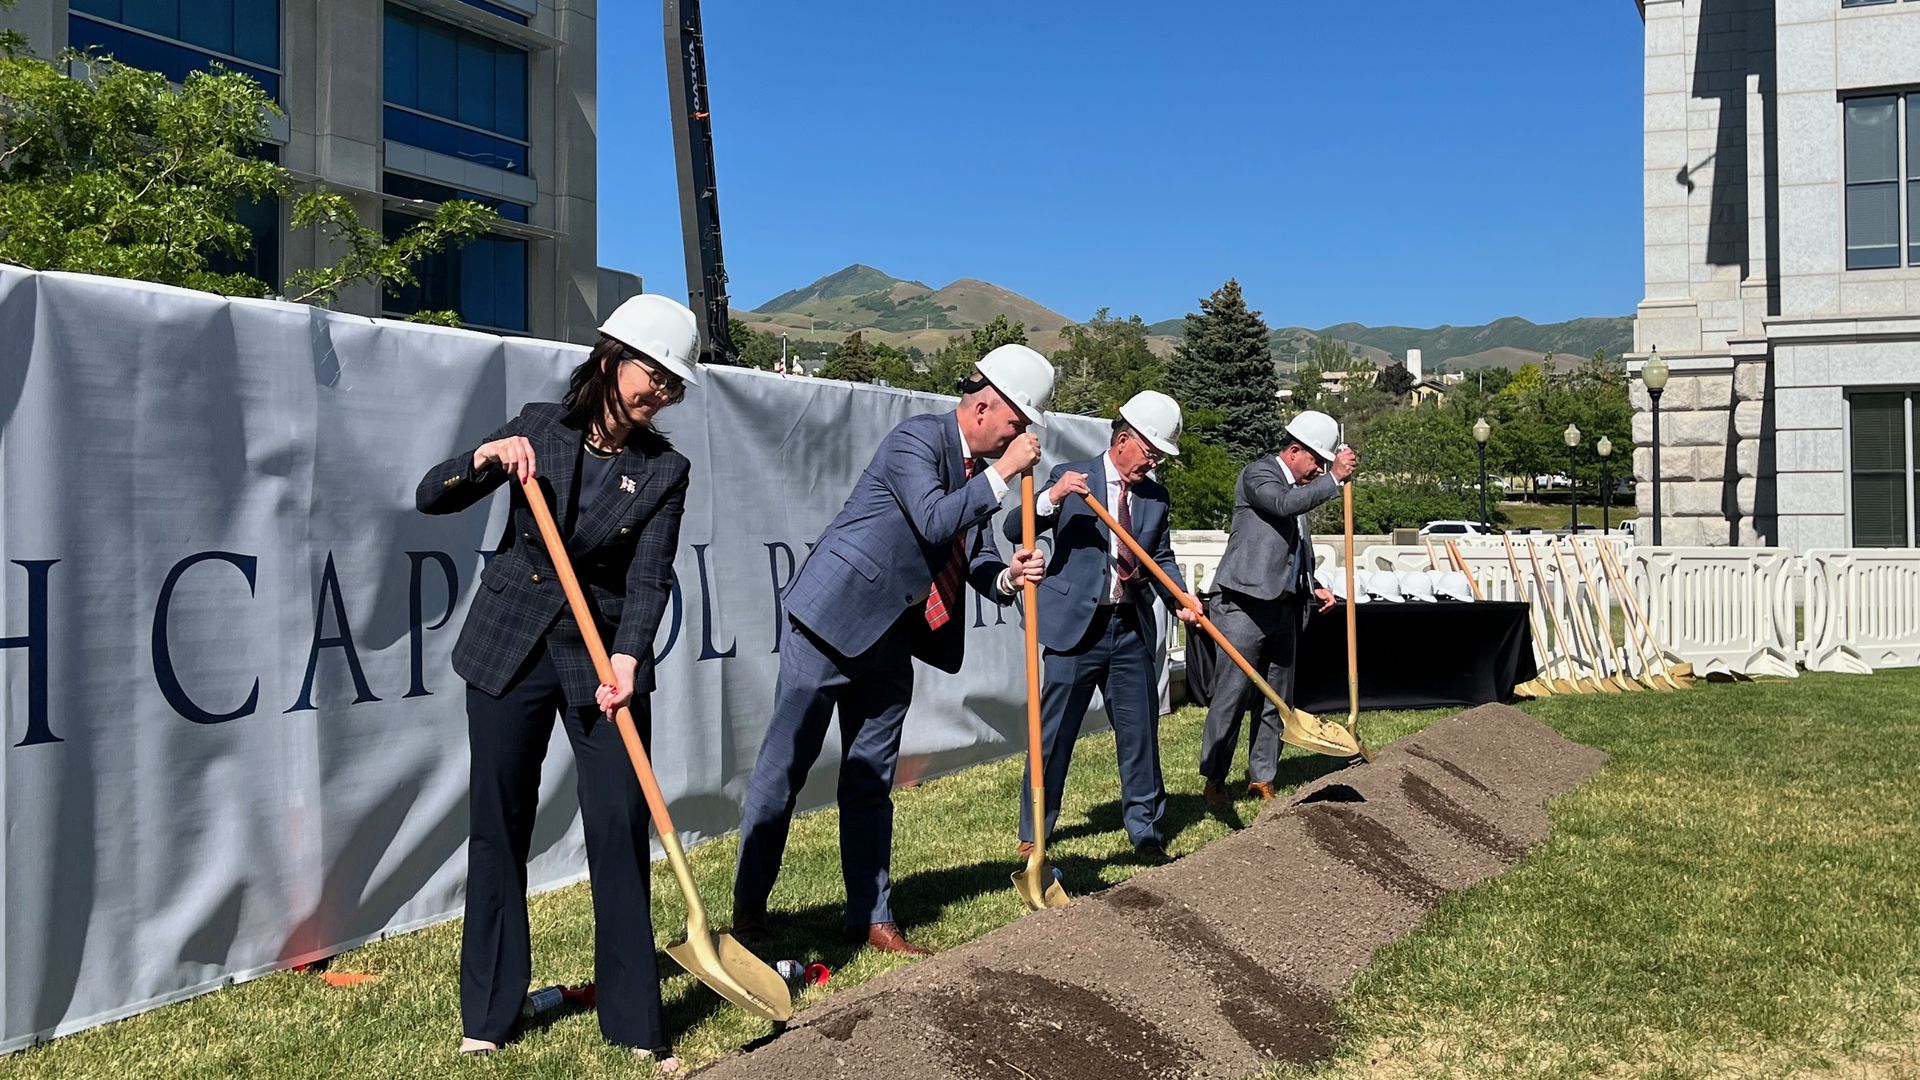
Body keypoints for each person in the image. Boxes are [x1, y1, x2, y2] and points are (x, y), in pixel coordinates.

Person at [415, 294, 698, 1068]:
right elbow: (431, 495)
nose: (662, 394)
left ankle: (636, 1020)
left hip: (603, 661)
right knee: (498, 822)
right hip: (508, 649)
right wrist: (484, 459)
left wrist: (631, 658)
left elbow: (650, 579)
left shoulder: (664, 470)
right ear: (612, 357)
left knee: (617, 821)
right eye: (656, 375)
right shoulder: (538, 426)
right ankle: (490, 1010)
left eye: (674, 386)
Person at [732, 344, 1056, 957]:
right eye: (1018, 424)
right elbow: (936, 521)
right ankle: (748, 911)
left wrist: (1011, 575)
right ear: (984, 405)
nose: (1022, 437)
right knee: (784, 771)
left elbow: (974, 553)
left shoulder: (974, 473)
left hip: (891, 640)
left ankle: (871, 917)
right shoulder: (917, 442)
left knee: (871, 779)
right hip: (829, 622)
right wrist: (1006, 472)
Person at [1006, 391, 1199, 863]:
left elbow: (1162, 557)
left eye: (1158, 457)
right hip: (1077, 632)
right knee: (1054, 735)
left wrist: (1179, 596)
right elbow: (1017, 528)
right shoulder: (1071, 478)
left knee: (1140, 733)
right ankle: (1035, 831)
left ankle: (1146, 830)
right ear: (1123, 440)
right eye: (1150, 452)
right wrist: (1052, 498)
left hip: (1129, 628)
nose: (1151, 464)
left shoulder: (1154, 496)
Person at [1197, 410, 1356, 808]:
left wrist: (1312, 586)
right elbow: (1283, 505)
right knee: (1232, 695)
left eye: (1324, 465)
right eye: (1316, 462)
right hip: (1243, 606)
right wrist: (1335, 478)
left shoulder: (1300, 492)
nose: (1318, 470)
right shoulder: (1259, 475)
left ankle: (1262, 776)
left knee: (1277, 699)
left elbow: (1293, 551)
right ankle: (1215, 777)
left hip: (1285, 609)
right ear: (1294, 450)